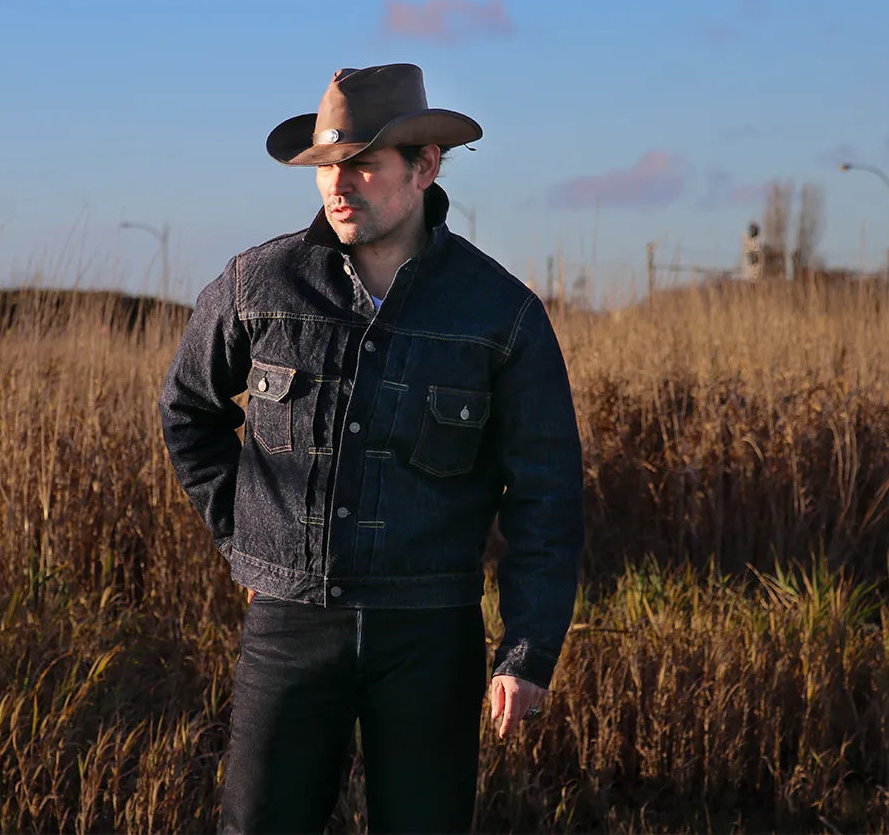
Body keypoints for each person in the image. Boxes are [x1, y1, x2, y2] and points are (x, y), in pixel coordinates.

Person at [159, 63, 584, 834]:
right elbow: (187, 411)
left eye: (361, 163)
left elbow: (548, 490)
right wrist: (247, 541)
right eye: (327, 165)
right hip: (288, 626)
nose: (338, 184)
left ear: (423, 167)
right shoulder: (259, 284)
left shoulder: (500, 313)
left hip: (429, 631)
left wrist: (526, 650)